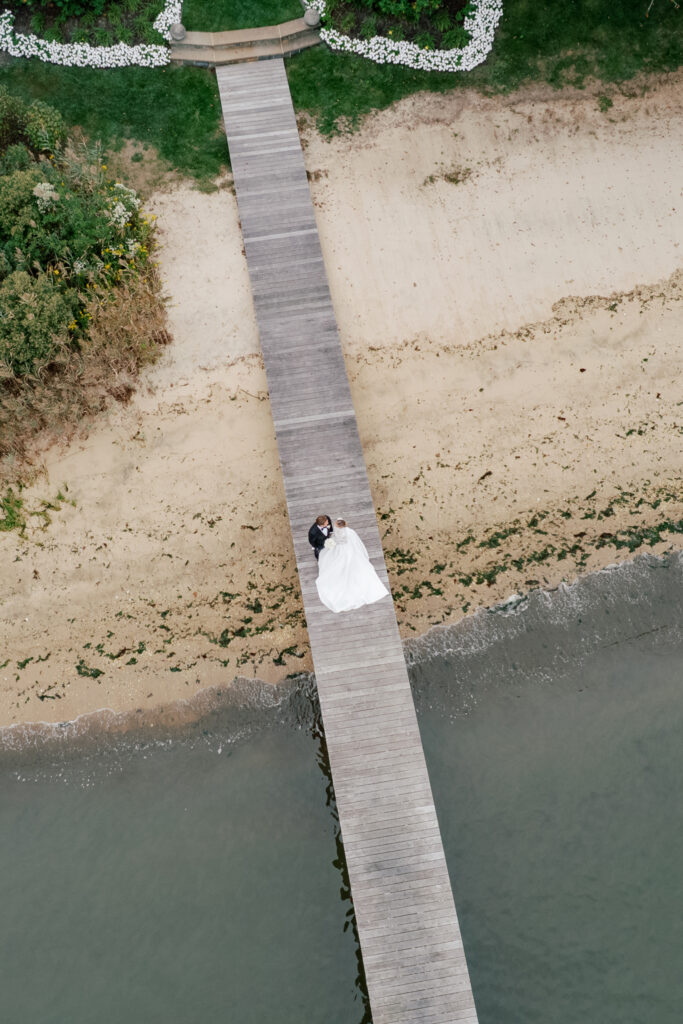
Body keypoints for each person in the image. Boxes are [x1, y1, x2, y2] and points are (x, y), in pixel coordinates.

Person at [316, 519, 389, 613]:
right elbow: (354, 540)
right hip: (349, 548)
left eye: (337, 524)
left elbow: (340, 540)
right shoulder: (350, 531)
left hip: (341, 548)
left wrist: (331, 540)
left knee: (339, 561)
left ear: (339, 526)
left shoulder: (342, 533)